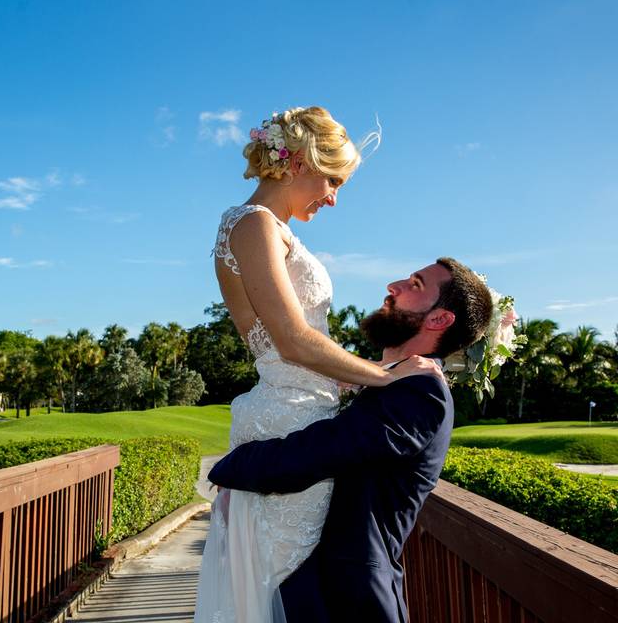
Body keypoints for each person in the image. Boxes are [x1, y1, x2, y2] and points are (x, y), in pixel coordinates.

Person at [194, 106, 442, 623]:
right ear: (301, 161)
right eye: (333, 180)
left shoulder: (275, 230)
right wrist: (386, 376)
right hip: (290, 413)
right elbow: (293, 340)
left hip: (310, 409)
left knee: (302, 582)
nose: (333, 197)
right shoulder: (251, 223)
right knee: (287, 585)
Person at [208, 257, 494, 622]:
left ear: (439, 319)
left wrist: (231, 465)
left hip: (352, 601)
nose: (394, 286)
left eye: (416, 285)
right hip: (319, 587)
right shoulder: (394, 381)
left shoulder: (423, 394)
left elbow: (318, 451)